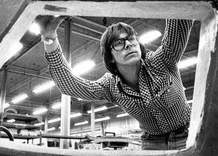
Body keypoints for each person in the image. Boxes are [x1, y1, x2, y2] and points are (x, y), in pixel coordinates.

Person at [36, 15, 193, 150]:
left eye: (131, 39)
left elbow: (179, 23)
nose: (129, 44)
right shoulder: (110, 86)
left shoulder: (162, 61)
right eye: (119, 43)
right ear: (110, 56)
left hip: (189, 133)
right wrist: (49, 38)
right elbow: (69, 84)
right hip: (153, 143)